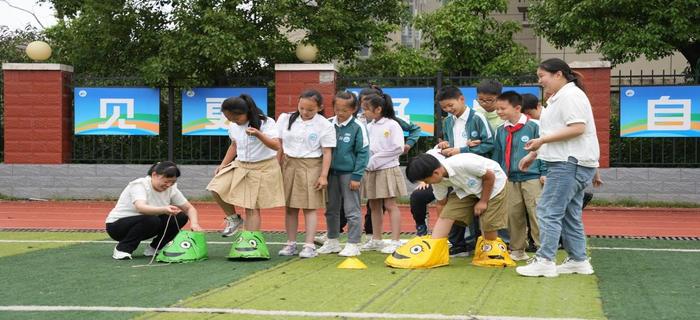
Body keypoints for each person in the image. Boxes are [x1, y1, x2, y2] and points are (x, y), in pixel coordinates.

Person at [516, 58, 600, 278]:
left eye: (542, 76)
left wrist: (541, 143)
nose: (540, 81)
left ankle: (545, 260)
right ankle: (578, 260)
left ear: (558, 74)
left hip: (568, 164)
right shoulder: (560, 97)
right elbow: (558, 133)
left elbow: (578, 128)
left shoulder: (570, 96)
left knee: (547, 210)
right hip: (570, 163)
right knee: (569, 214)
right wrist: (534, 154)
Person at [405, 152, 511, 267]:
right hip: (466, 189)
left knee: (488, 222)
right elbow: (442, 203)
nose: (425, 184)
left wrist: (483, 202)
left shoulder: (463, 164)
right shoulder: (438, 181)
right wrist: (445, 218)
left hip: (494, 184)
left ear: (436, 172)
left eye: (426, 181)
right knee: (448, 214)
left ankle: (491, 253)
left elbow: (489, 177)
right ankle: (434, 250)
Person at [206, 94, 284, 241]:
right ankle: (234, 219)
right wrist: (223, 165)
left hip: (262, 167)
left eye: (235, 118)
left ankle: (250, 241)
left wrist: (259, 134)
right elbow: (234, 145)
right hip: (241, 165)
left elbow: (276, 146)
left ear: (246, 112)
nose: (232, 121)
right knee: (215, 188)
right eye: (229, 118)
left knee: (251, 207)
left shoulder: (266, 122)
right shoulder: (233, 126)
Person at [276, 89, 336, 258]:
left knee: (309, 207)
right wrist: (276, 166)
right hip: (289, 165)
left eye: (310, 110)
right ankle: (291, 244)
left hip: (312, 166)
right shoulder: (285, 118)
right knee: (290, 207)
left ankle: (309, 245)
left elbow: (327, 152)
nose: (305, 112)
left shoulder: (324, 124)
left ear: (320, 107)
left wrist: (323, 175)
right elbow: (279, 145)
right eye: (301, 108)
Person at [436, 85, 494, 257]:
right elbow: (450, 144)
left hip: (478, 170)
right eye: (444, 108)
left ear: (462, 99)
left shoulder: (478, 117)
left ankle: (479, 244)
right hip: (457, 172)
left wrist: (461, 150)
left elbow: (489, 144)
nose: (448, 110)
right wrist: (444, 145)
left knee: (479, 208)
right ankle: (458, 244)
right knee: (457, 205)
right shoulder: (448, 121)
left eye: (450, 105)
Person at [106, 161, 202, 260]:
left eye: (172, 182)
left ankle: (155, 248)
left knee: (180, 217)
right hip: (117, 227)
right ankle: (122, 249)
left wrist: (194, 224)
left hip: (147, 225)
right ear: (154, 175)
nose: (169, 185)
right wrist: (164, 209)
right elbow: (141, 207)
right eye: (166, 181)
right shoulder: (139, 185)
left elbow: (189, 208)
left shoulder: (171, 189)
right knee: (151, 219)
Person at [492, 91, 546, 261]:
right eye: (497, 109)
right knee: (513, 215)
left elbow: (544, 150)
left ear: (517, 108)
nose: (499, 112)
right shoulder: (501, 130)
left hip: (532, 177)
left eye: (502, 108)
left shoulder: (534, 126)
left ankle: (543, 251)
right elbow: (498, 155)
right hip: (510, 178)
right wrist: (499, 176)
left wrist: (544, 171)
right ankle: (517, 250)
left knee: (536, 214)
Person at [318, 91, 369, 257]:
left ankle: (353, 243)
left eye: (344, 110)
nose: (340, 113)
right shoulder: (327, 123)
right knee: (331, 208)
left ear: (353, 109)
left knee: (351, 209)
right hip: (330, 173)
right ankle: (332, 240)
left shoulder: (358, 127)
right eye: (337, 109)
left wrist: (357, 176)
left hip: (349, 174)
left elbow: (363, 152)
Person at [360, 93, 408, 254]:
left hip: (387, 169)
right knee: (374, 206)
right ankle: (376, 239)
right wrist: (369, 162)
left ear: (378, 109)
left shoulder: (392, 125)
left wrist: (375, 160)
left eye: (366, 109)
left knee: (390, 205)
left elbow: (397, 148)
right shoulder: (369, 126)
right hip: (372, 170)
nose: (364, 112)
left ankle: (395, 240)